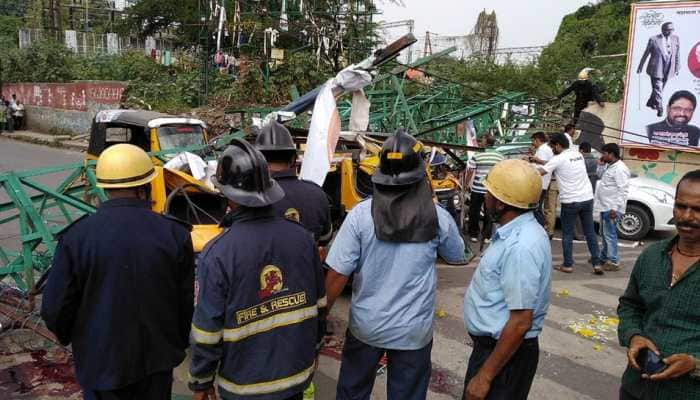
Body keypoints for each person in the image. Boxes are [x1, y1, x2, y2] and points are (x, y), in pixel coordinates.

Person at [41, 144, 195, 400]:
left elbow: (55, 308)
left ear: (103, 186)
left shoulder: (77, 237)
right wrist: (174, 343)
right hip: (156, 362)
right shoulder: (175, 234)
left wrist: (76, 338)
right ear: (145, 185)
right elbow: (184, 303)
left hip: (100, 362)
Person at [324, 129, 468, 400]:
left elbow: (337, 274)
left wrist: (321, 318)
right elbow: (457, 255)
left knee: (352, 392)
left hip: (367, 327)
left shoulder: (359, 216)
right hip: (413, 332)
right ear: (419, 173)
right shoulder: (437, 216)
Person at [189, 139, 326, 400]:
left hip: (243, 388)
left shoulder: (218, 253)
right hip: (296, 380)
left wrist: (201, 381)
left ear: (228, 196)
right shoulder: (302, 239)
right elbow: (320, 308)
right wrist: (315, 351)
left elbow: (207, 332)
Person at [462, 159, 551, 400]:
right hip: (498, 353)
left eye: (489, 193)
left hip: (504, 358)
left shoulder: (521, 246)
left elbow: (521, 321)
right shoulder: (518, 231)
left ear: (499, 202)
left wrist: (485, 377)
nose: (485, 197)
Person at [617, 169, 700, 400]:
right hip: (635, 388)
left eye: (697, 209)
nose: (686, 216)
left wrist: (694, 365)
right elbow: (630, 305)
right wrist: (634, 336)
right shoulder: (651, 256)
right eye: (681, 206)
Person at [255, 120, 332, 245]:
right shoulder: (317, 194)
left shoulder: (252, 197)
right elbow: (325, 239)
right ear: (293, 159)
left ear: (258, 160)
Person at [539, 133, 603, 274]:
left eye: (552, 147)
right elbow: (560, 166)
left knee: (567, 234)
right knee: (590, 232)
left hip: (570, 201)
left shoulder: (558, 159)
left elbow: (541, 172)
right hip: (587, 198)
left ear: (557, 145)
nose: (551, 150)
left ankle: (568, 265)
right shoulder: (578, 155)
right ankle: (597, 263)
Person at [595, 143, 630, 272]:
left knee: (610, 235)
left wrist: (615, 208)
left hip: (611, 208)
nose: (602, 155)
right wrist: (600, 165)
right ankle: (603, 257)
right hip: (605, 206)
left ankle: (614, 261)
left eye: (604, 153)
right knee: (604, 234)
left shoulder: (620, 169)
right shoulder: (610, 166)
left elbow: (623, 190)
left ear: (611, 154)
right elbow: (600, 176)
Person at [466, 134, 505, 243]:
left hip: (477, 189)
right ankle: (487, 236)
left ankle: (473, 234)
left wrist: (465, 185)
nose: (480, 141)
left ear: (487, 142)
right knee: (490, 213)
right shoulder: (500, 156)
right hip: (491, 190)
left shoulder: (477, 155)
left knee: (474, 212)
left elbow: (470, 171)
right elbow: (502, 172)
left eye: (482, 139)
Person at [637, 22, 680, 117]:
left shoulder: (675, 38)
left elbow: (677, 54)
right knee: (658, 89)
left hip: (669, 69)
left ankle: (651, 102)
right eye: (668, 30)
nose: (670, 32)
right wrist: (640, 66)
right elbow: (646, 53)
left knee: (659, 89)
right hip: (656, 68)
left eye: (672, 30)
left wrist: (677, 67)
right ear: (663, 30)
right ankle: (660, 108)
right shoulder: (654, 39)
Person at [525, 131, 554, 234]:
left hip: (539, 183)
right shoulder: (546, 149)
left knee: (536, 208)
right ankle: (538, 229)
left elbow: (543, 167)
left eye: (533, 141)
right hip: (543, 183)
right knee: (537, 207)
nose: (533, 143)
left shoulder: (542, 150)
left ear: (537, 140)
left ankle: (539, 230)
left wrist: (532, 161)